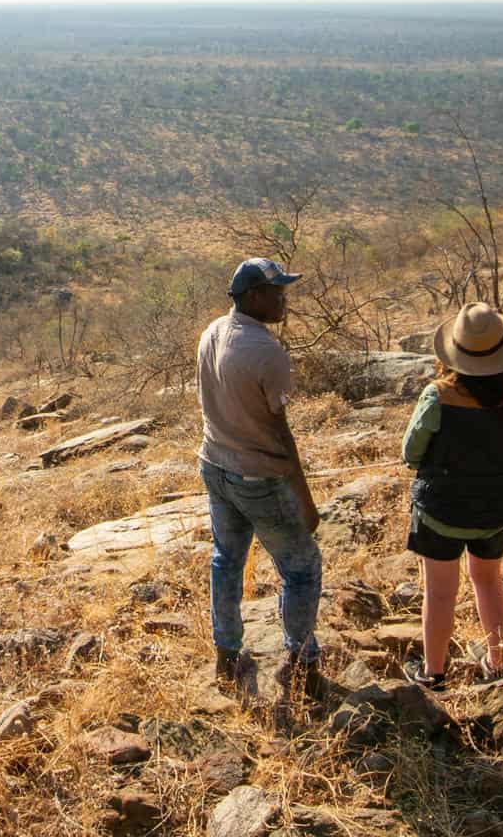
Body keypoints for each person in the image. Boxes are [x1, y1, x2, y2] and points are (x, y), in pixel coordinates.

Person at [197, 257, 323, 694]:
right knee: (301, 567)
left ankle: (226, 655)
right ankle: (302, 660)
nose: (284, 298)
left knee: (226, 560)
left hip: (214, 463)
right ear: (253, 297)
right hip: (257, 476)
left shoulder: (213, 331)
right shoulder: (267, 352)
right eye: (276, 291)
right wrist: (305, 500)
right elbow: (280, 433)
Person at [400, 302, 503, 690]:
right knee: (489, 581)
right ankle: (498, 663)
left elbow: (411, 453)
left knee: (440, 593)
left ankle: (435, 673)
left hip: (443, 508)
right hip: (500, 506)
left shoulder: (438, 396)